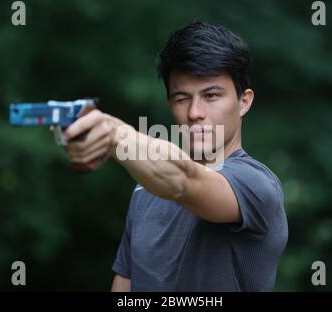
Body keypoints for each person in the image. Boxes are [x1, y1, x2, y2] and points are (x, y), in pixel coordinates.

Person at [62, 21, 288, 292]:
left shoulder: (257, 185)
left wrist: (114, 136)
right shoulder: (144, 190)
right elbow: (124, 287)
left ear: (244, 102)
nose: (194, 112)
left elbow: (184, 180)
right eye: (182, 98)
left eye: (211, 95)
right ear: (170, 104)